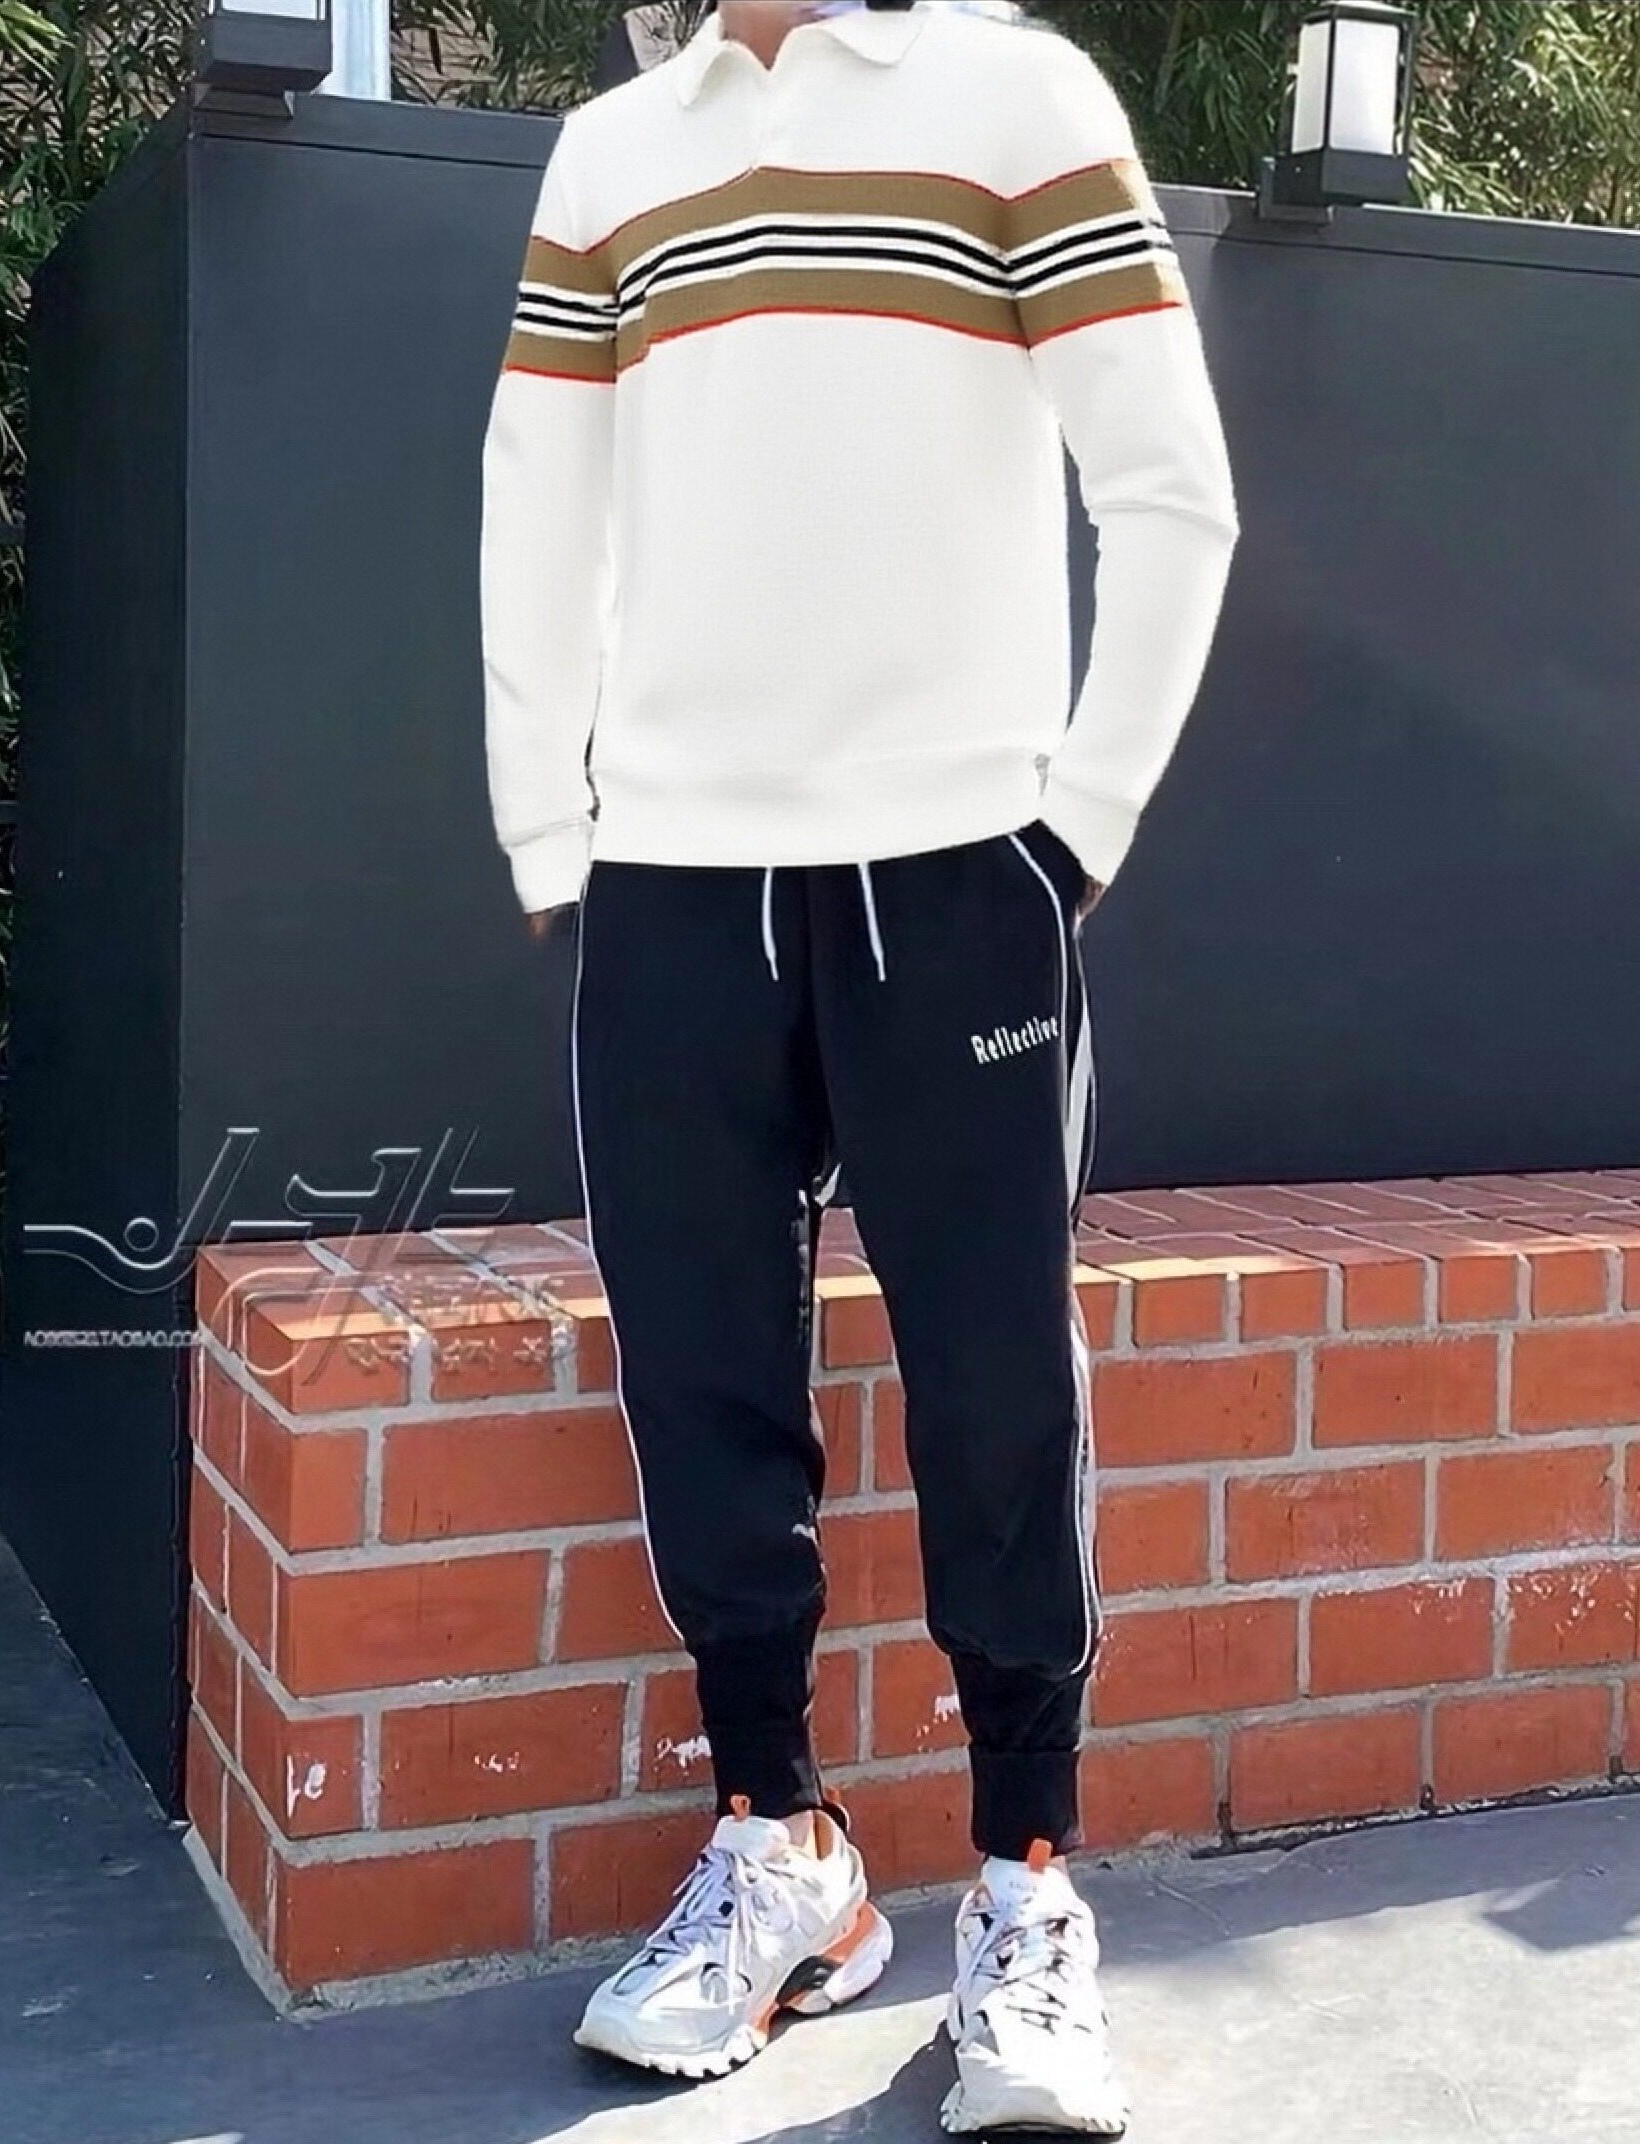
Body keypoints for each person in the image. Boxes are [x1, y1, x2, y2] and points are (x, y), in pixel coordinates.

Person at [479, 0, 1237, 2129]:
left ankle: (1025, 1884)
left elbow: (1170, 493)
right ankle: (781, 1851)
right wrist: (553, 830)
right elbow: (540, 499)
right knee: (699, 1384)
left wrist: (1070, 829)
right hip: (666, 882)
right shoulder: (615, 154)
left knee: (994, 1387)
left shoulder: (1018, 96)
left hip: (959, 873)